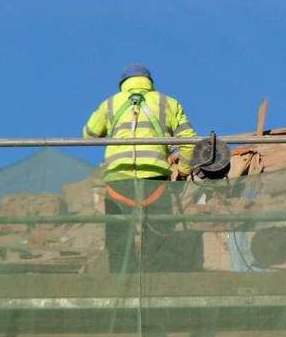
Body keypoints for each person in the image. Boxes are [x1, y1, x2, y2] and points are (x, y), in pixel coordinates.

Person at [84, 63, 201, 272]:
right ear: (150, 83)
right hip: (155, 180)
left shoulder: (110, 103)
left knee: (119, 241)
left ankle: (123, 289)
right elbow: (189, 141)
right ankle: (154, 287)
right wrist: (183, 170)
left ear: (123, 84)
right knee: (159, 240)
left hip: (118, 182)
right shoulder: (168, 103)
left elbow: (89, 134)